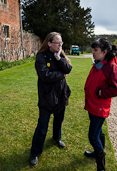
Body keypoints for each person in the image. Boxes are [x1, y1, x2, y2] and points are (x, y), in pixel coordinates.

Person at [30, 32, 72, 166]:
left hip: (61, 95)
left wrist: (59, 58)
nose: (60, 45)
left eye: (61, 43)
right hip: (47, 97)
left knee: (59, 121)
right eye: (57, 43)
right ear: (49, 43)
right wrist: (61, 74)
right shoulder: (41, 57)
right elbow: (45, 76)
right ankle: (35, 153)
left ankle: (56, 138)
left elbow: (68, 69)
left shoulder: (60, 55)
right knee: (42, 127)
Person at [84, 38, 117, 171]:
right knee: (98, 131)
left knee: (93, 136)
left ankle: (101, 165)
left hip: (99, 107)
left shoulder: (111, 67)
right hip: (92, 104)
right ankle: (97, 152)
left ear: (105, 51)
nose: (92, 53)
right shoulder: (100, 63)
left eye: (96, 50)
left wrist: (100, 93)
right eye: (93, 50)